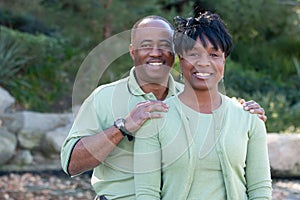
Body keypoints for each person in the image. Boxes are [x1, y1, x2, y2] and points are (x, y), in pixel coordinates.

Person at [61, 15, 267, 200]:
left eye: (164, 45)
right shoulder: (104, 98)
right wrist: (122, 128)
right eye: (146, 45)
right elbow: (71, 164)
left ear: (175, 54)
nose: (155, 53)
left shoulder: (190, 97)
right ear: (133, 51)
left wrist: (245, 116)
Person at [134, 11, 272, 200]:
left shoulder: (249, 119)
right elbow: (146, 194)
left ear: (224, 60)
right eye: (194, 54)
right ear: (180, 60)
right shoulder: (155, 119)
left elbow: (260, 190)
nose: (203, 63)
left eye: (214, 54)